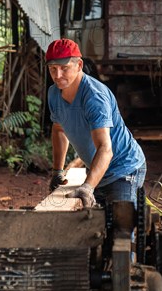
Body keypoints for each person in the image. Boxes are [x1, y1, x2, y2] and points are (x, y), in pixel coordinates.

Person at [46, 38, 146, 209]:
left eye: (64, 68)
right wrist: (57, 171)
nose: (58, 75)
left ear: (79, 65)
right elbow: (59, 129)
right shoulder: (54, 94)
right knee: (94, 227)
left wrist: (87, 187)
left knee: (120, 226)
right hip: (97, 169)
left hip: (124, 168)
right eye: (53, 69)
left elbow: (105, 148)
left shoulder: (94, 96)